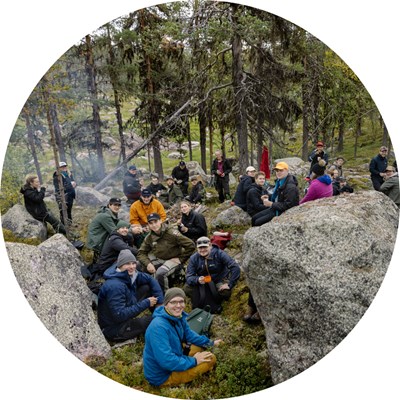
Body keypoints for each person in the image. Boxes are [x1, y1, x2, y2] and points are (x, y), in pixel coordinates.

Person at [143, 287, 223, 387]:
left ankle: (191, 362)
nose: (178, 306)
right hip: (163, 376)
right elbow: (166, 360)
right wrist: (195, 361)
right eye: (173, 302)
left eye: (181, 301)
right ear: (166, 304)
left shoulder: (178, 317)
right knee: (211, 358)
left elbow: (189, 335)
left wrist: (211, 343)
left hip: (175, 355)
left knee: (200, 347)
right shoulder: (158, 327)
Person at [97, 250, 163, 342]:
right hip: (115, 328)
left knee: (147, 287)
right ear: (120, 265)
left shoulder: (128, 274)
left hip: (125, 307)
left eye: (133, 263)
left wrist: (159, 302)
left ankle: (158, 312)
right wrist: (146, 303)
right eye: (127, 264)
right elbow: (119, 315)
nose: (132, 267)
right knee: (156, 321)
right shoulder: (115, 286)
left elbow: (149, 279)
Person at [137, 213, 195, 293]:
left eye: (155, 222)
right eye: (151, 223)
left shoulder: (171, 233)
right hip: (160, 259)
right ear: (148, 225)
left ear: (160, 221)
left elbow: (190, 245)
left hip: (173, 260)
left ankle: (165, 297)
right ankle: (147, 290)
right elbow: (141, 253)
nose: (154, 225)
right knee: (139, 265)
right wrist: (148, 264)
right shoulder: (149, 237)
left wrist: (181, 259)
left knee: (160, 273)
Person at [184, 236, 240, 304]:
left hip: (219, 280)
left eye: (205, 247)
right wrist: (197, 279)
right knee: (187, 288)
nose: (202, 250)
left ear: (210, 245)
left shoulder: (219, 253)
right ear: (197, 248)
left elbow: (235, 267)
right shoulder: (193, 258)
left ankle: (213, 301)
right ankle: (207, 299)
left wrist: (230, 284)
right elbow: (189, 276)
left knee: (225, 293)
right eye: (200, 248)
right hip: (203, 282)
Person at [251, 162, 299, 226]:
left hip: (281, 212)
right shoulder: (279, 181)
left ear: (287, 171)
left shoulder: (290, 187)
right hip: (275, 208)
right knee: (254, 218)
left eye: (281, 170)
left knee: (257, 222)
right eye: (276, 170)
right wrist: (268, 197)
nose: (278, 172)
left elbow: (289, 205)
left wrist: (271, 204)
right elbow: (278, 196)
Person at [86, 197, 122, 261]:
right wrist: (130, 230)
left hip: (99, 239)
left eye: (119, 205)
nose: (117, 207)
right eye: (115, 205)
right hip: (97, 243)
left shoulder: (110, 213)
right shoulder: (105, 216)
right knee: (119, 238)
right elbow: (114, 231)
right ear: (109, 205)